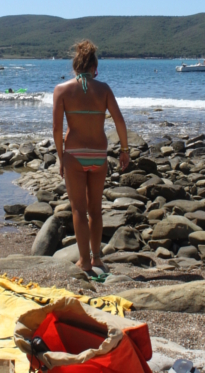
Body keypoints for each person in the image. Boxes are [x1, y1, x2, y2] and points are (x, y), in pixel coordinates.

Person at [53, 40, 130, 273]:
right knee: (95, 209)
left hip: (74, 155)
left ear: (75, 66)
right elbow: (119, 121)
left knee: (78, 209)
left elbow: (57, 129)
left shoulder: (62, 90)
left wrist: (61, 157)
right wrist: (125, 150)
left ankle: (84, 261)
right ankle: (97, 258)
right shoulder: (104, 89)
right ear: (94, 67)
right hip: (98, 154)